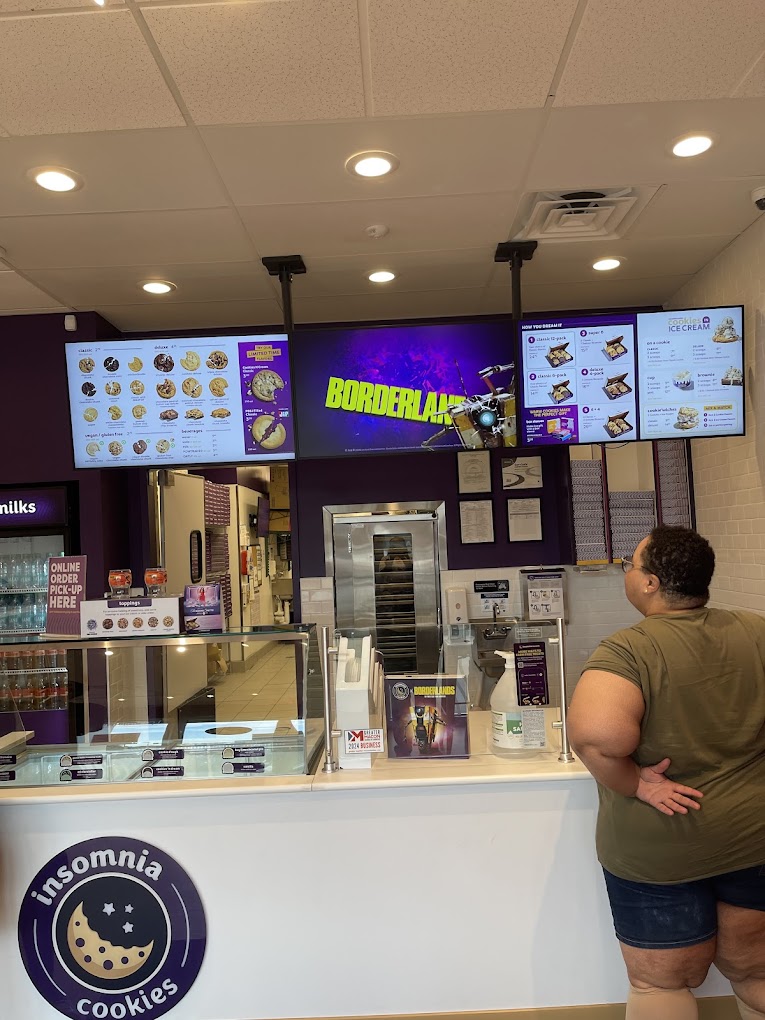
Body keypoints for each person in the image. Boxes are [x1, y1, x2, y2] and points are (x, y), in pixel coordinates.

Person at [568, 525, 765, 1020]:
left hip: (661, 850)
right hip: (755, 838)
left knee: (660, 985)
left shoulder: (627, 650)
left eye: (631, 565)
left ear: (651, 582)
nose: (628, 574)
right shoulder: (756, 631)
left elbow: (596, 738)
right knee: (757, 971)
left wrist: (636, 783)